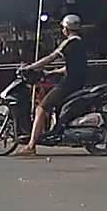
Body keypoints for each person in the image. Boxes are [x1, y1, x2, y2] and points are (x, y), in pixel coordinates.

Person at [17, 14, 87, 156]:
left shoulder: (68, 43)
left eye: (63, 28)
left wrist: (30, 67)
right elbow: (72, 66)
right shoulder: (80, 43)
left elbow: (50, 58)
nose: (62, 30)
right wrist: (52, 72)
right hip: (78, 82)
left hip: (68, 83)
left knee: (41, 108)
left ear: (66, 29)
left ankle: (31, 145)